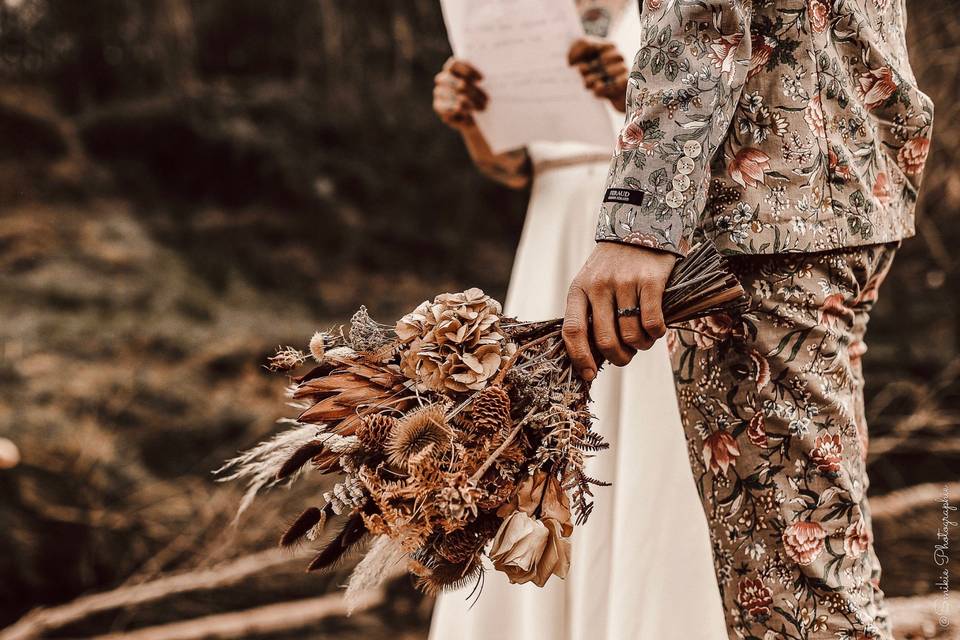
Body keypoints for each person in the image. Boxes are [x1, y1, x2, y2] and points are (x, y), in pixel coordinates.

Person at [562, 1, 933, 638]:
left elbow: (705, 15)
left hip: (764, 219)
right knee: (824, 560)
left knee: (797, 601)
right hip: (846, 178)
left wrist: (640, 219)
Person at [429, 1, 727, 639]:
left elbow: (702, 126)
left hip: (640, 233)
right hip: (551, 235)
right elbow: (510, 165)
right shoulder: (525, 15)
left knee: (645, 430)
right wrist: (471, 120)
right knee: (539, 431)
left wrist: (629, 95)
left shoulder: (674, 11)